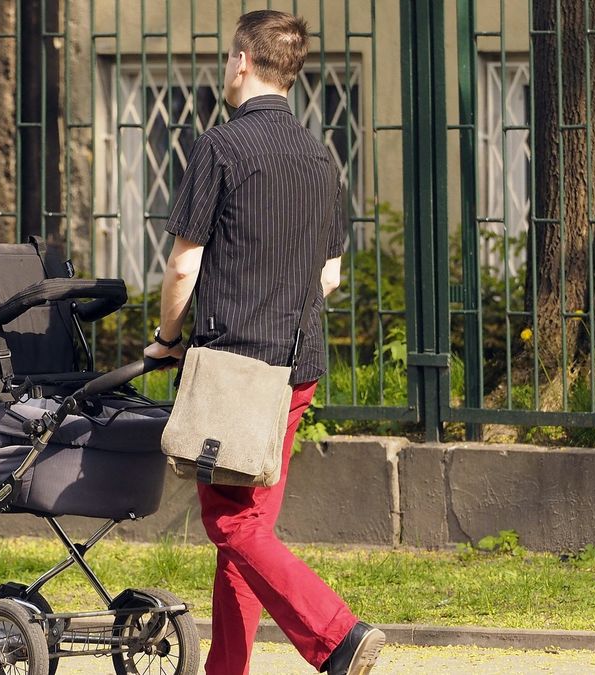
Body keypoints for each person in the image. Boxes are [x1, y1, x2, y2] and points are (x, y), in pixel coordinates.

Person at [143, 10, 385, 675]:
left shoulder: (219, 146)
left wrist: (166, 340)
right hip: (295, 370)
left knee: (233, 526)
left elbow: (183, 266)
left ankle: (336, 635)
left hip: (231, 369)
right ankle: (227, 668)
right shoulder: (320, 156)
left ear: (244, 62)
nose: (227, 67)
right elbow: (329, 274)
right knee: (250, 531)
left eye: (229, 58)